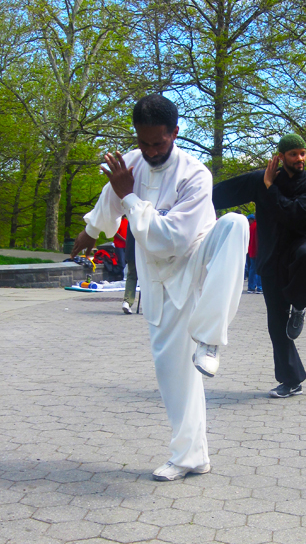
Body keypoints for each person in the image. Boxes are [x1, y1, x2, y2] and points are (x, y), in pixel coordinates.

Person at [71, 94, 248, 481]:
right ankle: (192, 456)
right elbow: (107, 207)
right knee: (175, 376)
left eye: (159, 143)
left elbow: (171, 239)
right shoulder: (130, 165)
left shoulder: (195, 174)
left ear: (175, 133)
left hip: (196, 260)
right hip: (158, 281)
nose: (151, 151)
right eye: (144, 142)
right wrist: (88, 233)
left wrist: (130, 196)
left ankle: (211, 338)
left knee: (236, 224)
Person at [213, 133, 306, 399]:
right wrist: (186, 201)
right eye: (294, 154)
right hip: (272, 254)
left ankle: (300, 304)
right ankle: (291, 380)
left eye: (303, 153)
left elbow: (298, 216)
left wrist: (269, 188)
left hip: (301, 243)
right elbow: (220, 193)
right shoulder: (258, 178)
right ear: (281, 156)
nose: (300, 159)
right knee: (276, 323)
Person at [122, 228, 138, 314]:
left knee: (132, 275)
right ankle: (151, 304)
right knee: (149, 277)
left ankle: (127, 301)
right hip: (145, 251)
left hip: (132, 250)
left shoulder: (131, 216)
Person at [247, 213, 262, 293]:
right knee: (259, 269)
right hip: (259, 251)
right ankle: (259, 287)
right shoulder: (260, 226)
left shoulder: (251, 227)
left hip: (252, 251)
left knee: (252, 269)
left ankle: (251, 287)